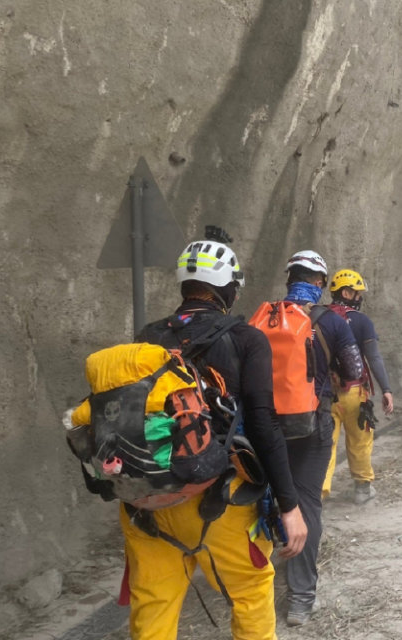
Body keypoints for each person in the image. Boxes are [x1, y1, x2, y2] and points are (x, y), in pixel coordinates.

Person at [123, 229, 307, 640]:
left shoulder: (146, 337)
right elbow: (262, 424)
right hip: (219, 497)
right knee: (251, 594)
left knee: (153, 606)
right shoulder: (246, 339)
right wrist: (290, 505)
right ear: (229, 288)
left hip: (148, 498)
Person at [271, 251, 363, 627]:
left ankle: (256, 584)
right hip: (313, 423)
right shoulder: (332, 321)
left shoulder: (264, 318)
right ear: (321, 283)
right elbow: (354, 370)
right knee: (306, 503)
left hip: (268, 428)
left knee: (267, 498)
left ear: (289, 277)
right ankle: (300, 598)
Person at [321, 269, 395, 505]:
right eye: (356, 293)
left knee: (324, 443)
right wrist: (386, 389)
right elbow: (373, 358)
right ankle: (362, 488)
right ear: (345, 292)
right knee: (360, 440)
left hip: (322, 394)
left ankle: (318, 495)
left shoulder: (317, 317)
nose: (359, 297)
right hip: (354, 393)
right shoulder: (362, 321)